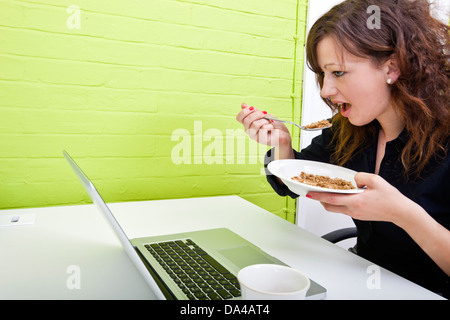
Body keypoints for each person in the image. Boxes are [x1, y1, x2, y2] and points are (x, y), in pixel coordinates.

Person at [236, 0, 449, 297]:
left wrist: (403, 214)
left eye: (337, 73)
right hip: (362, 282)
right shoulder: (352, 129)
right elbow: (291, 181)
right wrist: (281, 143)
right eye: (323, 74)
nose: (326, 91)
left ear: (392, 68)